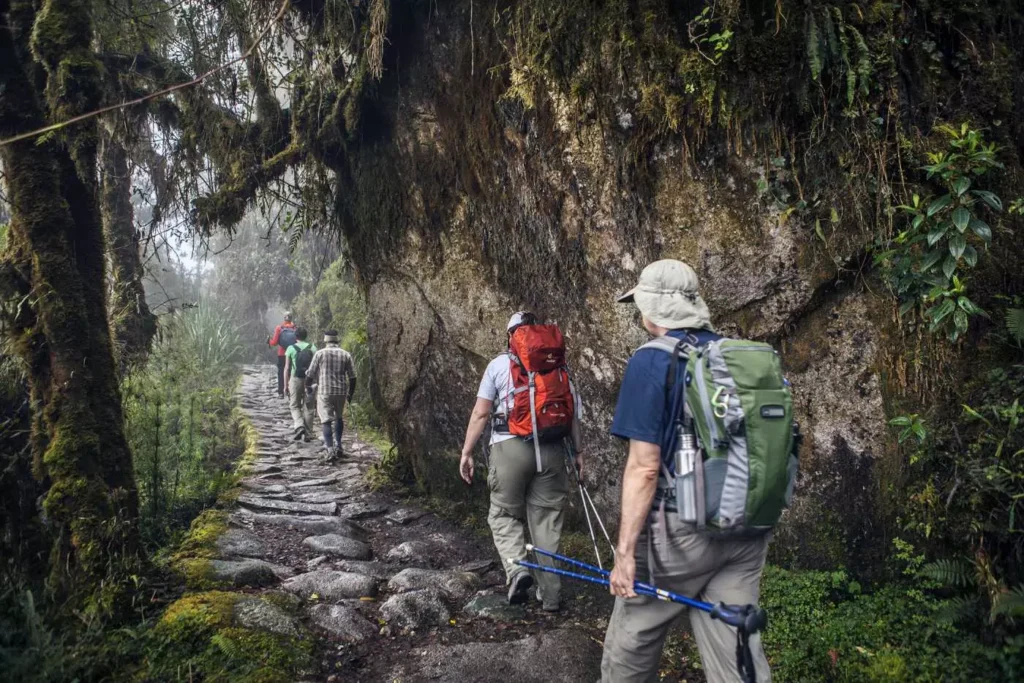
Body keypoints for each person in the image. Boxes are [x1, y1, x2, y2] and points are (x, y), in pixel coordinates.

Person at [600, 259, 772, 682]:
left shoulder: (651, 360)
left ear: (653, 307)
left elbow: (645, 467)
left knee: (633, 637)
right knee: (736, 645)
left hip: (680, 533)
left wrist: (624, 554)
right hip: (747, 525)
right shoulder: (740, 356)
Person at [458, 312, 583, 611]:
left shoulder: (498, 365)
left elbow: (481, 413)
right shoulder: (558, 366)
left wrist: (466, 452)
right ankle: (551, 597)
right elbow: (572, 415)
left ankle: (517, 570)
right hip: (552, 451)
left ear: (510, 335)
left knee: (503, 514)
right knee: (547, 523)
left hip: (509, 447)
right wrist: (579, 453)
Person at [305, 330, 357, 461]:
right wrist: (350, 394)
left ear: (325, 340)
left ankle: (329, 449)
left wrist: (307, 386)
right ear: (337, 340)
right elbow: (352, 377)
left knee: (326, 420)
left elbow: (310, 374)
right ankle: (338, 446)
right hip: (341, 391)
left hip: (325, 391)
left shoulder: (319, 354)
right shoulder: (345, 354)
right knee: (339, 418)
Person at [283, 327, 317, 441]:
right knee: (309, 406)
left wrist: (285, 385)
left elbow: (287, 368)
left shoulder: (291, 348)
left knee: (294, 405)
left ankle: (299, 425)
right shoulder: (312, 348)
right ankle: (308, 433)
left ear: (295, 336)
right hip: (310, 380)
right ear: (306, 336)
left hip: (295, 379)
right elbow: (316, 366)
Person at [268, 312, 297, 397]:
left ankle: (281, 392)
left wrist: (269, 341)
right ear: (291, 318)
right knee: (291, 372)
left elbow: (274, 342)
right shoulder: (295, 328)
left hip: (282, 354)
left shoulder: (279, 328)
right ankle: (291, 391)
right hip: (292, 353)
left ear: (284, 318)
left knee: (281, 372)